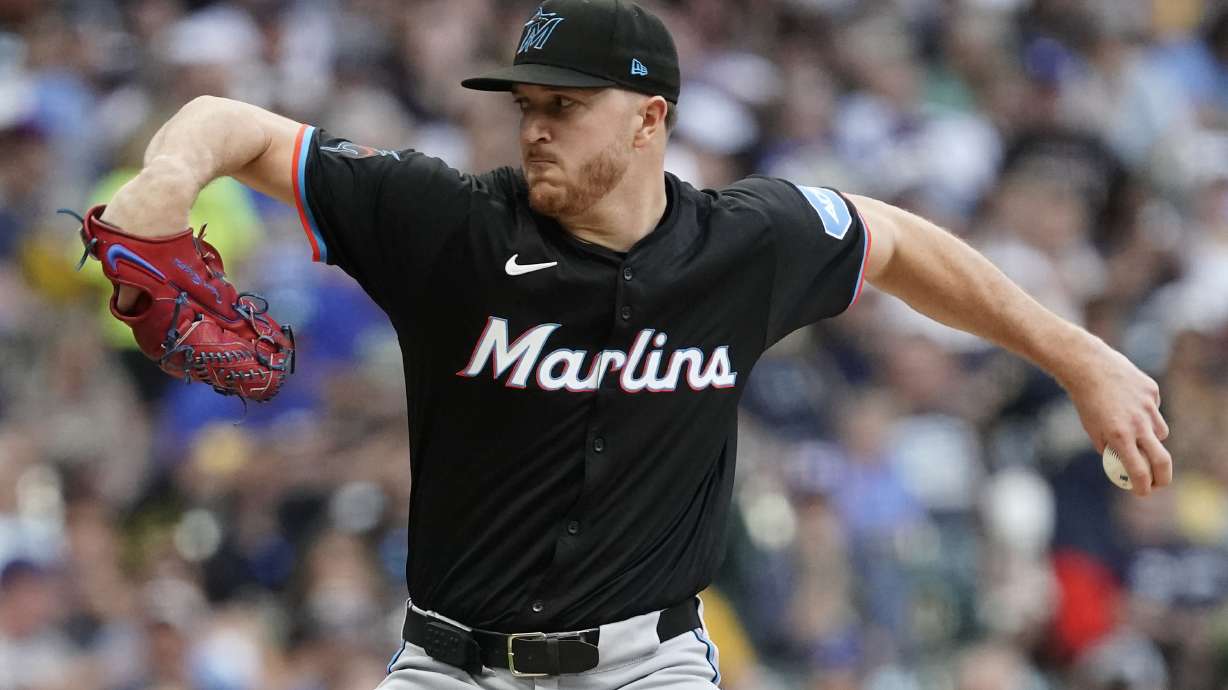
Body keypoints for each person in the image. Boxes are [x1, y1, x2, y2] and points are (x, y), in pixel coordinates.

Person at [93, 1, 1171, 687]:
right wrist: (164, 181)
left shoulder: (742, 245)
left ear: (649, 118)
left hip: (643, 665)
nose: (534, 127)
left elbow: (890, 240)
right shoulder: (447, 224)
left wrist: (1079, 357)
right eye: (526, 105)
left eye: (565, 106)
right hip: (448, 664)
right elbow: (229, 122)